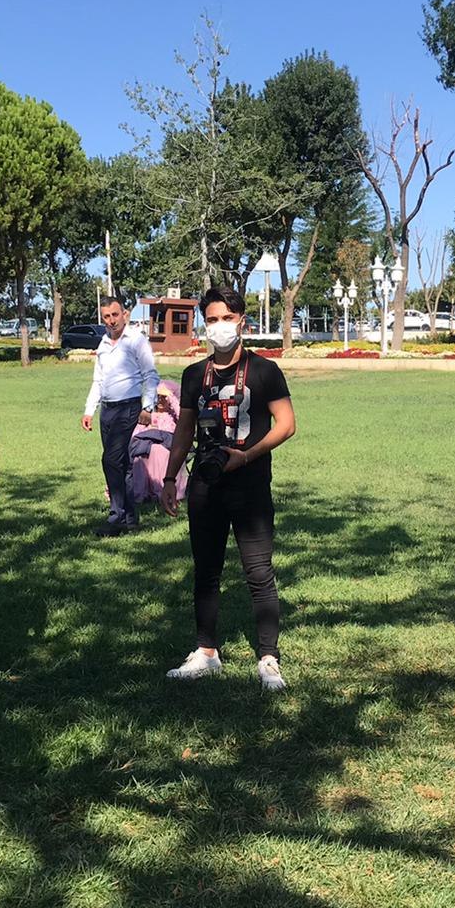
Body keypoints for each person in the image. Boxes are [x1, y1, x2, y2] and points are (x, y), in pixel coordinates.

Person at [160, 288, 296, 690]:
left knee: (259, 572)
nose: (219, 326)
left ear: (242, 322)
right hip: (206, 483)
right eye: (212, 319)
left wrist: (246, 455)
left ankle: (268, 658)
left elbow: (287, 424)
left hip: (249, 484)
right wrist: (170, 478)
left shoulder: (264, 371)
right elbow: (184, 430)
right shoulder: (193, 375)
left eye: (227, 318)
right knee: (206, 570)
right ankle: (206, 652)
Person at [81, 296, 159, 535]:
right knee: (121, 464)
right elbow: (98, 380)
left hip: (128, 407)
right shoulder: (103, 343)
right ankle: (130, 518)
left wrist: (147, 407)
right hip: (107, 409)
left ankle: (116, 518)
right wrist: (89, 409)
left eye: (115, 314)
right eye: (106, 316)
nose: (111, 320)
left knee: (110, 460)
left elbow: (150, 375)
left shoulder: (136, 340)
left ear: (124, 314)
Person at [127, 380, 182, 508]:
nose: (160, 400)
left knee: (158, 451)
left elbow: (183, 417)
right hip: (146, 446)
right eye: (157, 397)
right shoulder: (149, 414)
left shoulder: (173, 416)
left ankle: (162, 490)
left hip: (168, 445)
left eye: (163, 398)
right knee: (142, 454)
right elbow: (136, 434)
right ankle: (142, 492)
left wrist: (171, 397)